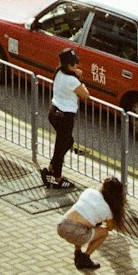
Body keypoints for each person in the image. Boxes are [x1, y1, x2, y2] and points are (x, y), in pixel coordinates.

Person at [41, 46, 89, 188]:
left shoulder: (58, 73)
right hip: (65, 117)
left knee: (66, 143)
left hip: (54, 112)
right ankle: (58, 178)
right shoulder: (72, 81)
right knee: (61, 145)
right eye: (74, 64)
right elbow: (85, 95)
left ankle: (50, 168)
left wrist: (76, 75)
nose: (77, 65)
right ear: (68, 65)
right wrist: (81, 80)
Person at [56, 176, 126, 271]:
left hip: (61, 224)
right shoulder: (108, 210)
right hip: (75, 232)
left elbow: (84, 210)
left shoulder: (89, 191)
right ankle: (85, 258)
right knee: (104, 232)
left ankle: (78, 253)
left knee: (83, 225)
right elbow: (109, 228)